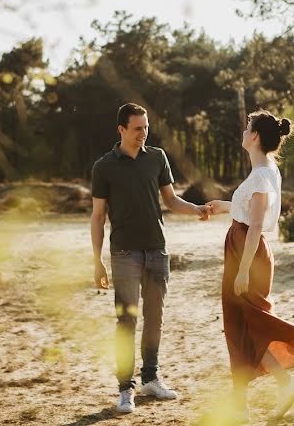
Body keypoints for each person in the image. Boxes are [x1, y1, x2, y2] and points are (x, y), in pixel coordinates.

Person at [90, 102, 211, 414]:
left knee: (154, 319)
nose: (143, 133)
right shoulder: (104, 167)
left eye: (146, 127)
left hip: (157, 250)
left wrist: (195, 209)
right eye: (137, 128)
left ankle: (151, 379)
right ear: (121, 130)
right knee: (126, 321)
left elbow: (170, 200)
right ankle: (124, 389)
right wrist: (96, 260)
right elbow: (98, 216)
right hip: (124, 254)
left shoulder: (157, 157)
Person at [206, 110, 294, 422]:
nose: (243, 131)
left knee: (247, 324)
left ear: (255, 136)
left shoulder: (260, 174)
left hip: (247, 250)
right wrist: (225, 207)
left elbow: (256, 223)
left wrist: (243, 269)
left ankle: (280, 385)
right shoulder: (266, 169)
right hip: (246, 246)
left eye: (247, 127)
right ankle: (244, 401)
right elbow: (251, 212)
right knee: (244, 325)